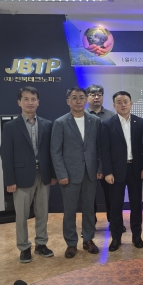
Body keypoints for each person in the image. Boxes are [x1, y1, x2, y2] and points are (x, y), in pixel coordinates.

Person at [0, 86, 56, 263]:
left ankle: (41, 244)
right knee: (22, 215)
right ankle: (24, 247)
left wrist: (53, 174)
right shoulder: (10, 126)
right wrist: (9, 180)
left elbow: (52, 152)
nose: (30, 102)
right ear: (19, 102)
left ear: (38, 102)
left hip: (43, 175)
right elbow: (6, 154)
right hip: (21, 177)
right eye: (26, 99)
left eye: (33, 99)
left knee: (42, 212)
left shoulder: (47, 124)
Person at [51, 87, 102, 258]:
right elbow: (55, 151)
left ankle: (88, 239)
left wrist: (100, 169)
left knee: (89, 209)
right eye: (74, 98)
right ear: (68, 101)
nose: (78, 101)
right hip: (69, 174)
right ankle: (71, 243)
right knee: (70, 210)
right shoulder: (60, 122)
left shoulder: (95, 121)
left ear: (86, 100)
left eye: (81, 97)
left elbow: (100, 148)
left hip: (90, 173)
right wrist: (61, 174)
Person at [100, 91, 143, 252]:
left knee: (136, 205)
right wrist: (107, 172)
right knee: (116, 206)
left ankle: (137, 236)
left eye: (125, 101)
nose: (123, 105)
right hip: (115, 171)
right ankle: (116, 238)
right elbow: (104, 151)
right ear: (114, 105)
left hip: (135, 169)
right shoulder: (107, 124)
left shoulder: (140, 122)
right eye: (119, 102)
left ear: (131, 103)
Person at [86, 85, 116, 226]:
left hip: (107, 162)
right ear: (87, 97)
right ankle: (90, 224)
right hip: (88, 162)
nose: (96, 97)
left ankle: (114, 222)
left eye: (99, 94)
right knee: (88, 196)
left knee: (111, 195)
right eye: (93, 95)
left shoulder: (111, 116)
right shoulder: (81, 115)